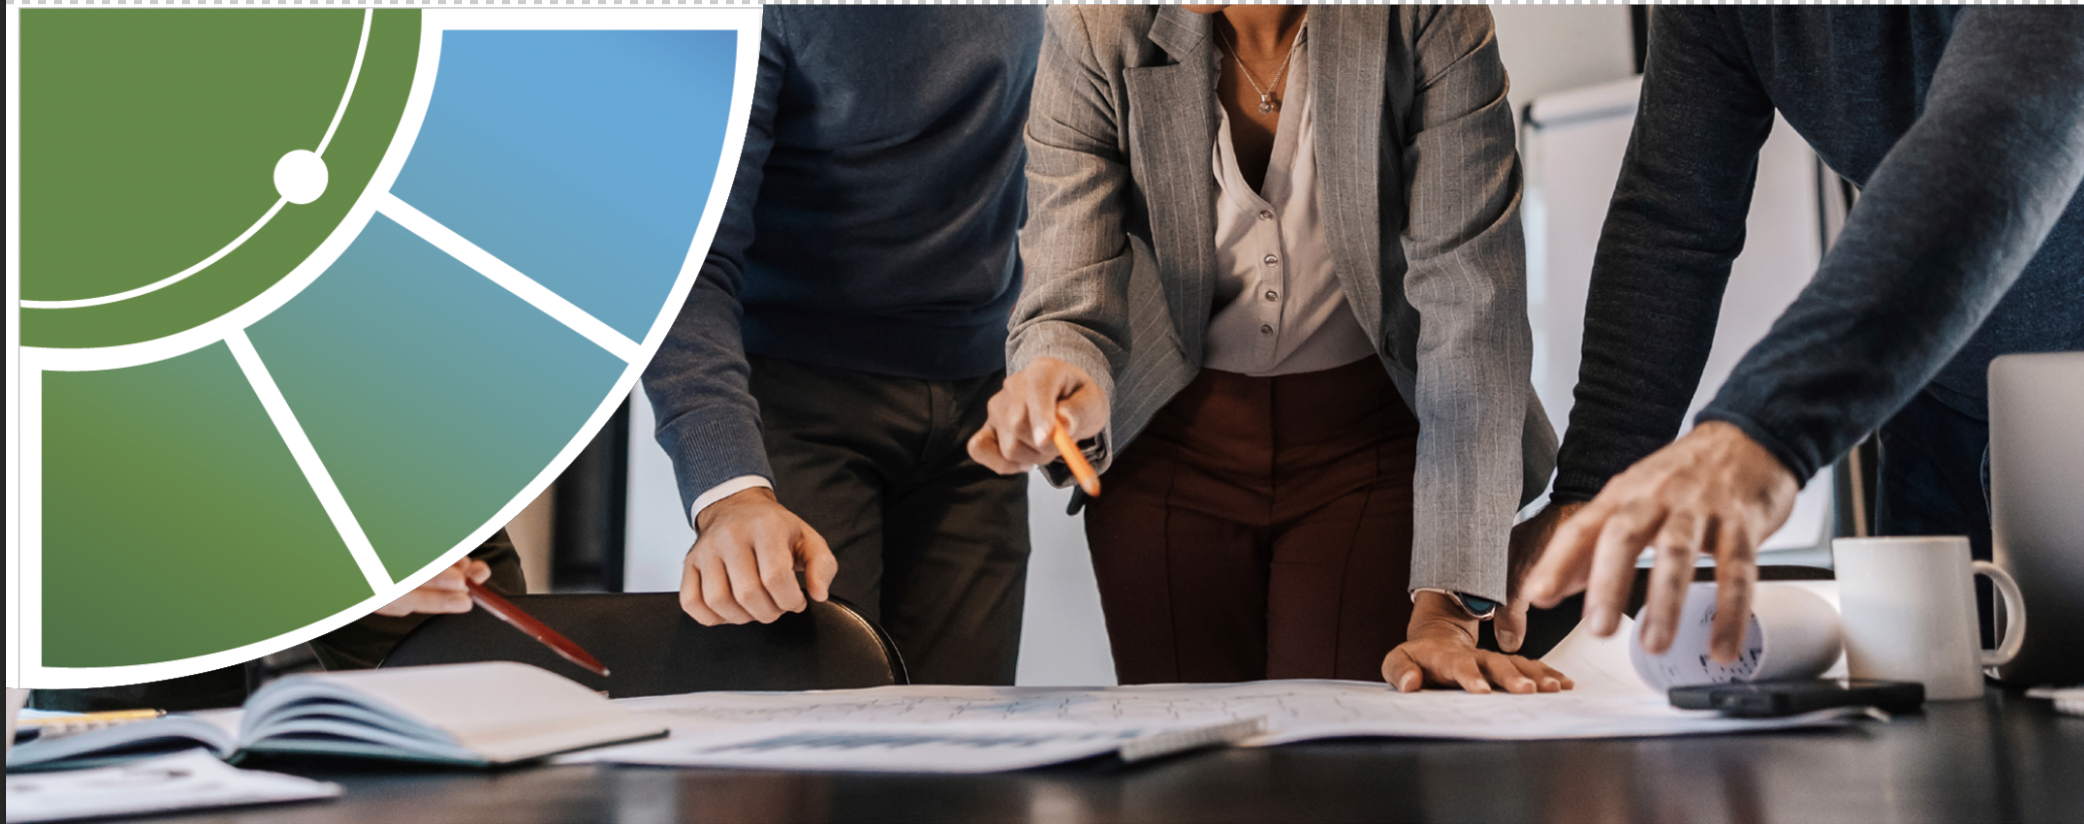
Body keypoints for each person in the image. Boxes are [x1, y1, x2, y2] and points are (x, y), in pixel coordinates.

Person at [970, 5, 1568, 693]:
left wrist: (1448, 610)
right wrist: (1055, 367)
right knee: (1190, 781)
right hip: (1168, 451)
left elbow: (1471, 304)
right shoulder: (1095, 26)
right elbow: (1068, 281)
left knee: (1340, 775)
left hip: (1369, 455)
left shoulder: (1425, 17)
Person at [1520, 7, 2084, 663]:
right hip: (1940, 400)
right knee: (1942, 721)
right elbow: (1673, 221)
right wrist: (1590, 496)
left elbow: (2005, 125)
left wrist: (1763, 429)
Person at [640, 6, 1045, 685]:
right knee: (805, 755)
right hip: (793, 409)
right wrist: (731, 493)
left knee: (969, 758)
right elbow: (688, 259)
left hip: (980, 403)